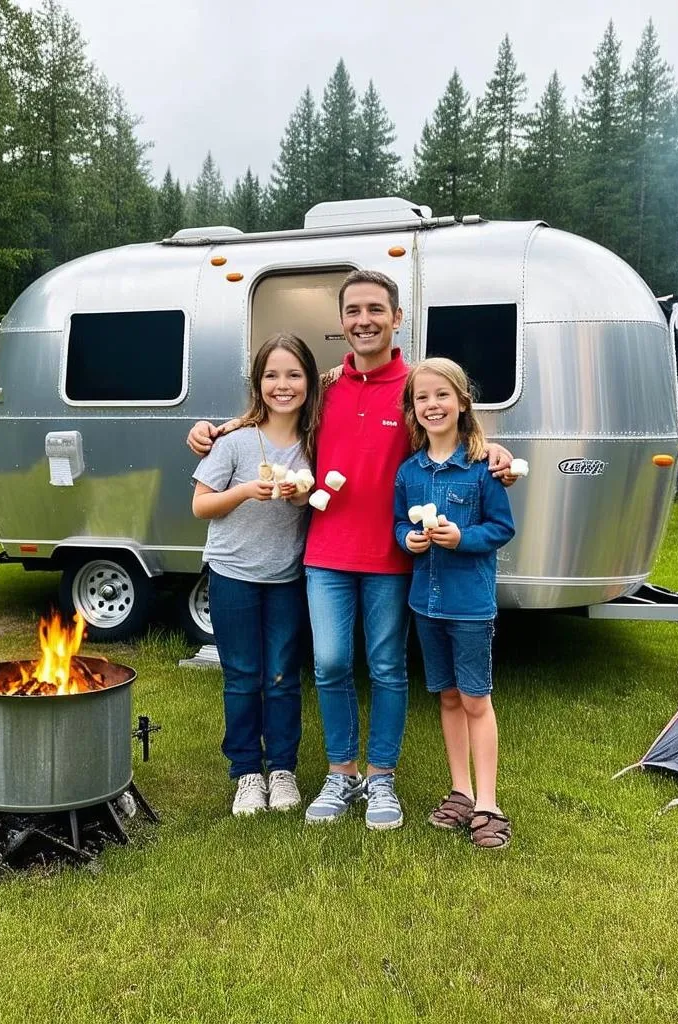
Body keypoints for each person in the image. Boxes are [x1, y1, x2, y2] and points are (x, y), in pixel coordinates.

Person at [188, 270, 516, 830]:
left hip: (391, 557)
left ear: (396, 318)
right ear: (341, 323)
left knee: (388, 668)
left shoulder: (416, 385)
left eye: (375, 310)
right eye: (353, 311)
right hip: (323, 555)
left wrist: (495, 450)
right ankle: (341, 772)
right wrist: (216, 431)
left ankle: (381, 778)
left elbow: (452, 427)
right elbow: (274, 412)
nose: (364, 320)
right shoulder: (326, 387)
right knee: (331, 663)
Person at [191, 333, 320, 817]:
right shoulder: (234, 441)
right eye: (271, 375)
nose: (282, 385)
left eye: (293, 375)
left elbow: (320, 496)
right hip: (234, 575)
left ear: (308, 381)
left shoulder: (314, 442)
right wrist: (246, 490)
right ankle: (246, 772)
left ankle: (282, 769)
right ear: (257, 382)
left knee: (283, 677)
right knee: (243, 676)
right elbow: (201, 504)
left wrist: (303, 495)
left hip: (287, 576)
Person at [394, 357, 516, 848]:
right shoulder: (410, 471)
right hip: (426, 602)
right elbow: (398, 524)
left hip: (469, 605)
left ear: (462, 402)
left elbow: (501, 529)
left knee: (474, 697)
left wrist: (462, 536)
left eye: (442, 395)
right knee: (446, 696)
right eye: (422, 397)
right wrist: (409, 540)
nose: (432, 405)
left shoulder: (482, 467)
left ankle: (489, 802)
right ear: (413, 410)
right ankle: (460, 790)